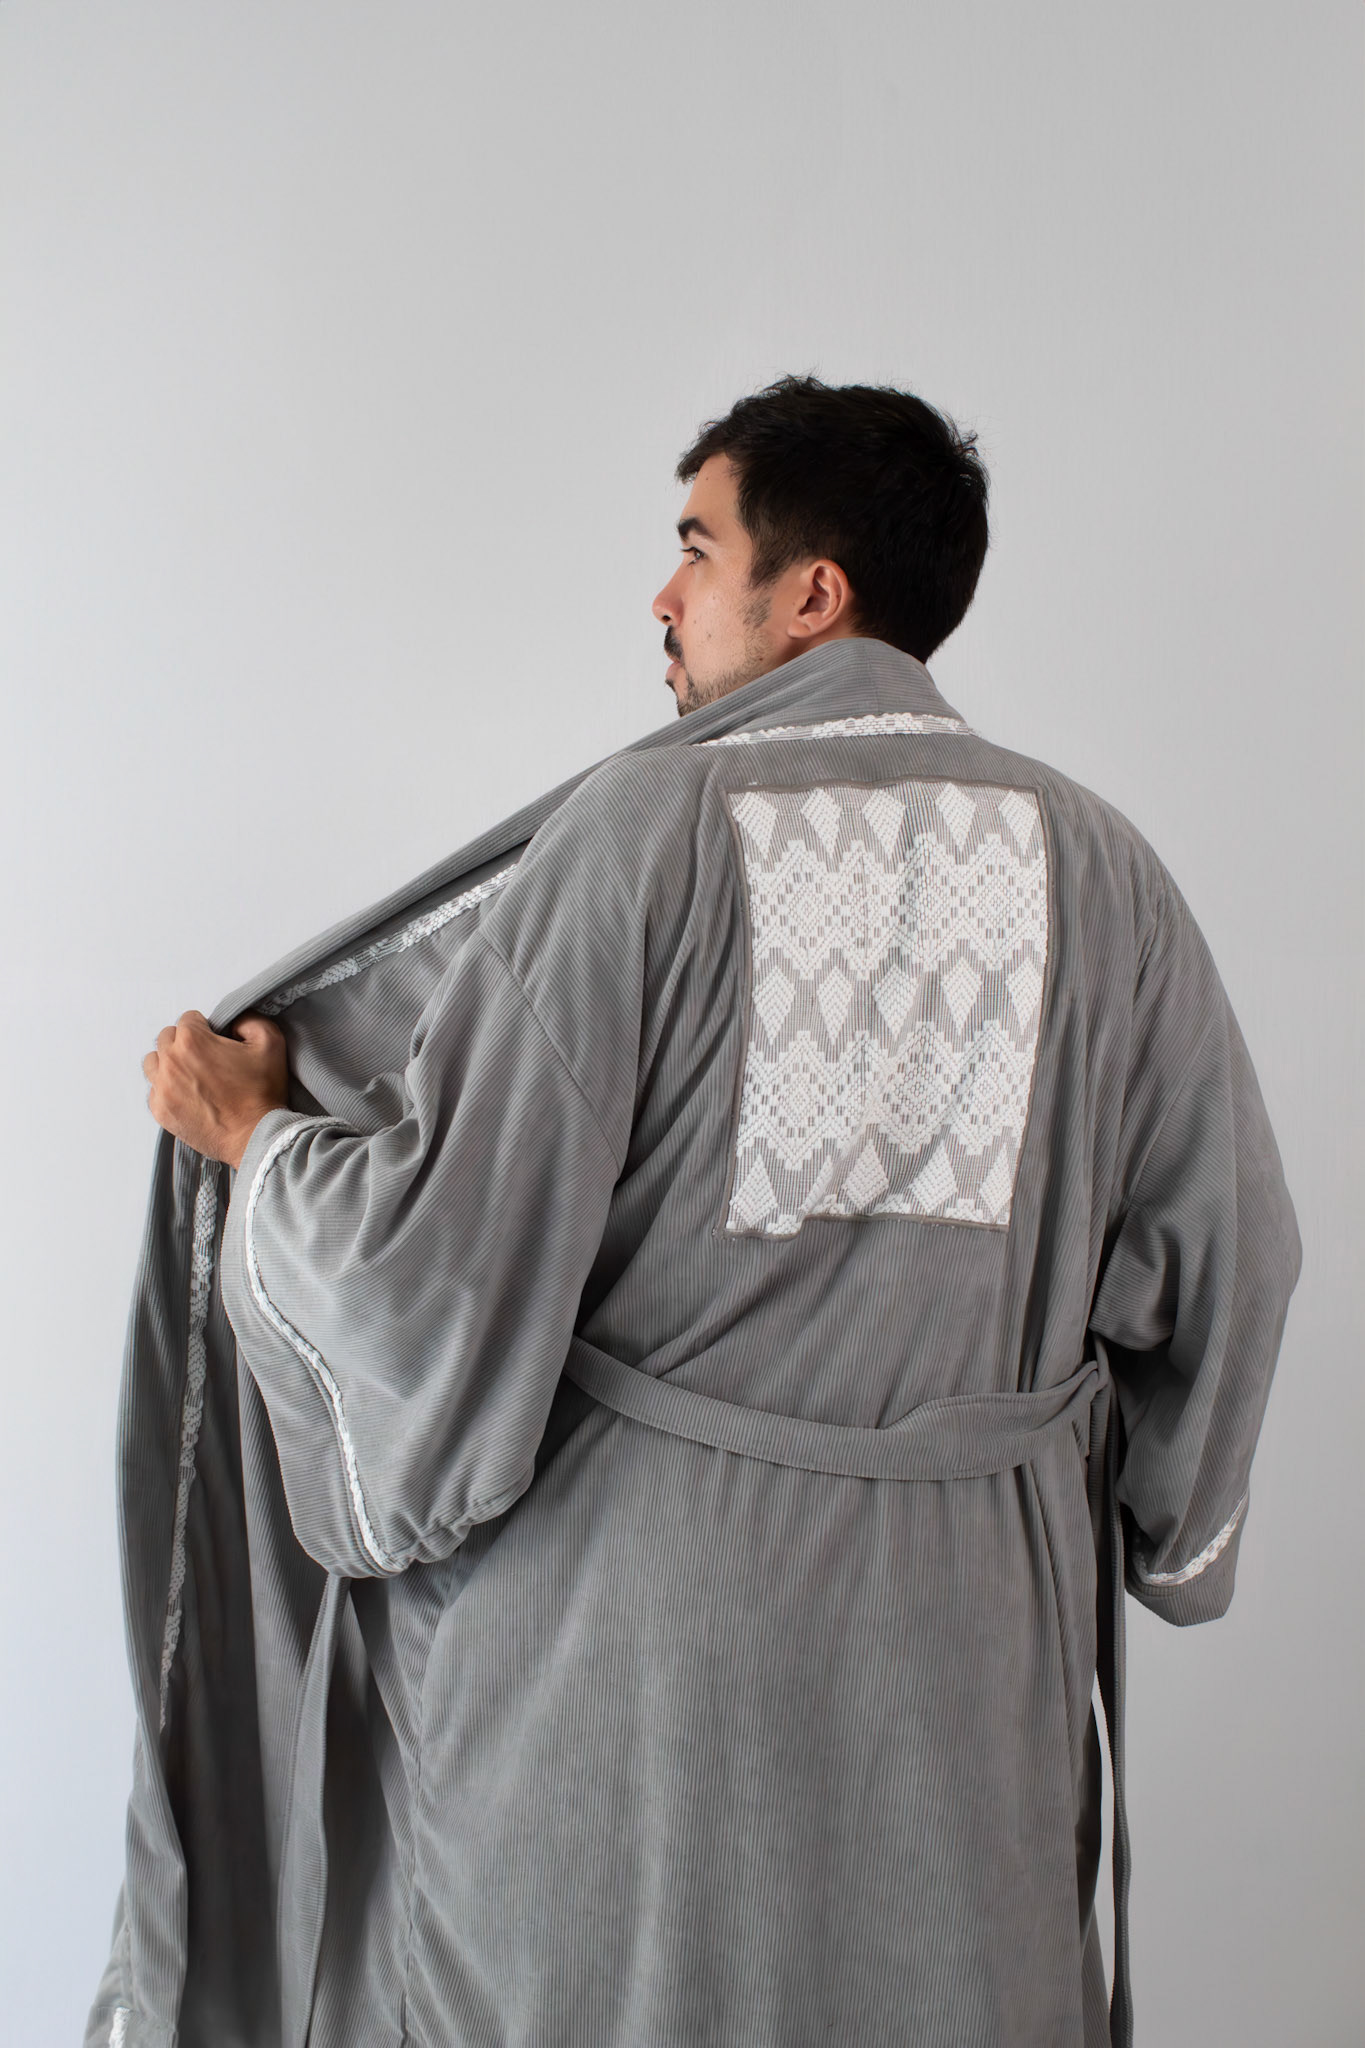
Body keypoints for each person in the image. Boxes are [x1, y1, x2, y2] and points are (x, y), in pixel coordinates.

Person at [107, 377, 1299, 2048]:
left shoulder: (635, 833)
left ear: (810, 594)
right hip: (971, 1655)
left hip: (630, 1679)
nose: (661, 597)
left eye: (695, 546)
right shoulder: (1104, 868)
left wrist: (264, 1141)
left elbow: (434, 1275)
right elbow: (1232, 1255)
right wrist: (1165, 1524)